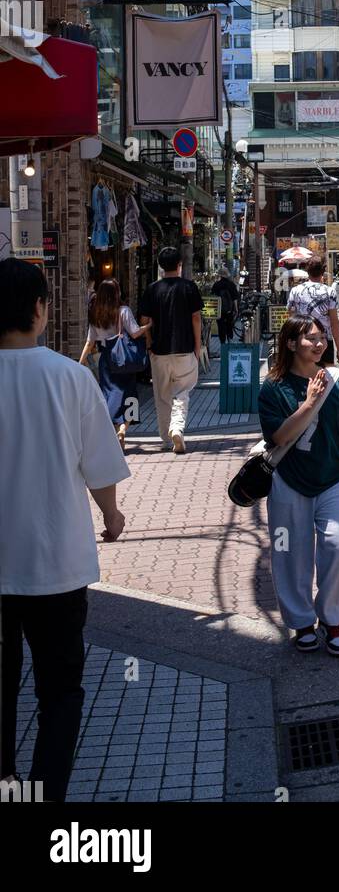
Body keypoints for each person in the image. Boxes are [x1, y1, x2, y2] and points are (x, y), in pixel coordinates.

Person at [0, 258, 129, 803]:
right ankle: (45, 797)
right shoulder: (70, 378)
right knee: (59, 692)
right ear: (39, 309)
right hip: (56, 565)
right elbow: (100, 468)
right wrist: (111, 515)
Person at [258, 315, 339, 656]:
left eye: (322, 337)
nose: (319, 343)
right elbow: (278, 436)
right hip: (289, 480)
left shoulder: (337, 381)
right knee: (289, 553)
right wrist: (308, 403)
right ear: (291, 344)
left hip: (334, 478)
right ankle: (302, 622)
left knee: (337, 546)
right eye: (310, 338)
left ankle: (332, 620)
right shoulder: (273, 388)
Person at [139, 246, 203, 455]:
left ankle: (166, 439)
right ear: (179, 265)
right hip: (184, 349)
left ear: (160, 266)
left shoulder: (151, 289)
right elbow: (196, 318)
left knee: (162, 396)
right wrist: (197, 344)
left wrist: (149, 344)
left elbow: (144, 320)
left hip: (158, 350)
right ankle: (177, 428)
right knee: (181, 392)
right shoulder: (189, 287)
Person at [79, 279, 150, 450]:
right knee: (130, 395)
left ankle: (112, 429)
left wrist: (80, 363)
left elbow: (90, 342)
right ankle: (123, 428)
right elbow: (134, 333)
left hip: (106, 359)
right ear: (117, 293)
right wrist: (148, 326)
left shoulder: (95, 314)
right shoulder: (123, 311)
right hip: (124, 360)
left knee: (110, 394)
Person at [286, 255, 339, 366]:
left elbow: (291, 320)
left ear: (307, 271)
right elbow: (334, 323)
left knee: (303, 374)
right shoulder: (329, 292)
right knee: (327, 375)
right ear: (323, 271)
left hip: (303, 340)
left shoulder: (295, 291)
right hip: (324, 340)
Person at [211, 266, 239, 344]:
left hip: (219, 311)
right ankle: (229, 340)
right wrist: (236, 309)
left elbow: (213, 297)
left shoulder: (216, 285)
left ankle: (222, 342)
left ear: (220, 275)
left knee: (221, 326)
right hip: (230, 310)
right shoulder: (231, 284)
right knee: (229, 325)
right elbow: (234, 298)